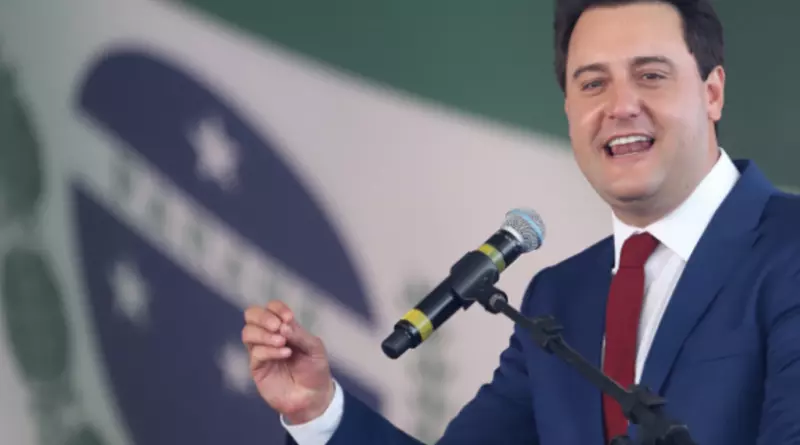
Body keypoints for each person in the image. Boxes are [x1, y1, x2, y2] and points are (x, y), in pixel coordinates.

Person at [241, 0, 800, 443]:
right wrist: (318, 412)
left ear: (712, 93)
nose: (620, 105)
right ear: (569, 111)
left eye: (650, 75)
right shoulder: (558, 297)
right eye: (592, 84)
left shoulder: (788, 247)